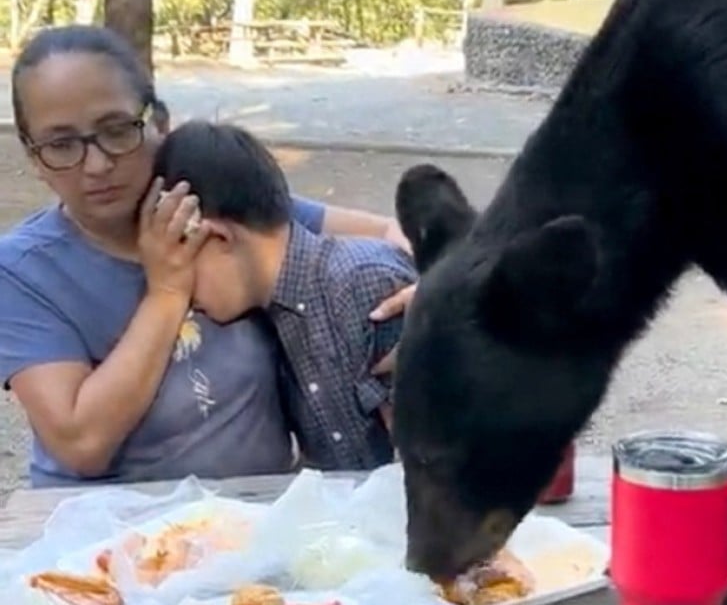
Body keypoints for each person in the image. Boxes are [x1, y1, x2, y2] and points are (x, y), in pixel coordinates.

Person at [0, 24, 414, 487]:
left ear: (159, 123)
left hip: (259, 517)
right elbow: (81, 445)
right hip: (108, 534)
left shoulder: (210, 203)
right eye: (61, 144)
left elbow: (389, 230)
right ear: (34, 157)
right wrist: (167, 293)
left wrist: (437, 289)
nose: (96, 165)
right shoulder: (22, 271)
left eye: (116, 131)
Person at [152, 120, 417, 469]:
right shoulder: (272, 315)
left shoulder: (365, 285)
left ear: (216, 237)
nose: (182, 293)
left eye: (178, 264)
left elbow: (436, 459)